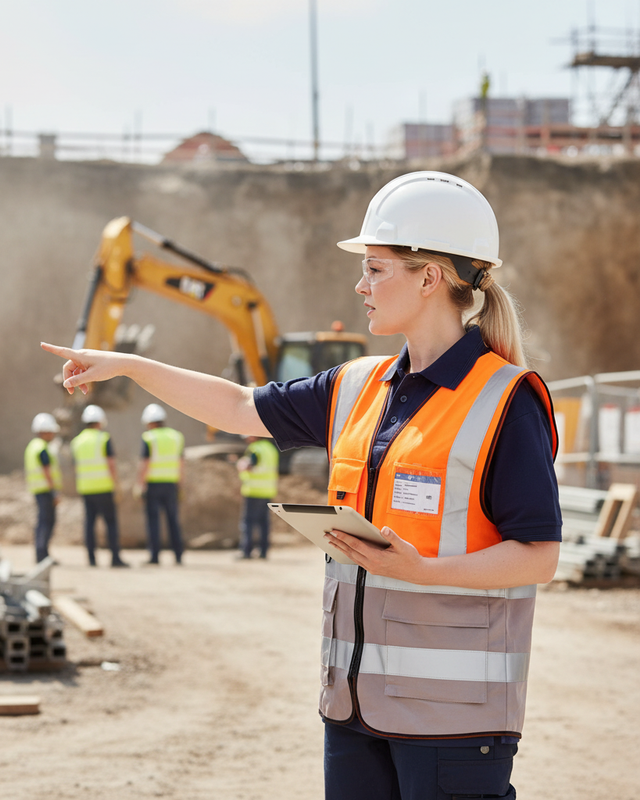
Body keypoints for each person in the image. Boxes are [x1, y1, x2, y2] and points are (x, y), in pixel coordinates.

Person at [41, 169, 561, 800]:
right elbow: (235, 408)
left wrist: (424, 570)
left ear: (429, 277)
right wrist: (127, 364)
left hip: (453, 723)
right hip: (353, 707)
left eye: (375, 268)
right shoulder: (356, 386)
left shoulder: (506, 400)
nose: (360, 285)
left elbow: (539, 556)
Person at [69, 404, 129, 568]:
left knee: (89, 524)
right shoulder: (104, 439)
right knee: (110, 523)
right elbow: (111, 464)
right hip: (104, 487)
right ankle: (115, 558)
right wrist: (116, 485)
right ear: (101, 421)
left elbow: (75, 466)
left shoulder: (77, 442)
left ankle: (91, 559)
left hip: (86, 488)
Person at [135, 403, 186, 565]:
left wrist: (140, 484)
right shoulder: (176, 436)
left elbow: (145, 463)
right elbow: (181, 463)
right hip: (171, 484)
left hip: (154, 485)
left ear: (149, 422)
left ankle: (154, 557)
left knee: (153, 521)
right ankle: (178, 556)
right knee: (173, 520)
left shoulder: (149, 438)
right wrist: (180, 484)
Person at [24, 412, 62, 564]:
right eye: (51, 431)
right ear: (44, 431)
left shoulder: (32, 446)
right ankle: (43, 556)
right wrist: (54, 492)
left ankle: (42, 555)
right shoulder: (43, 448)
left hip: (38, 490)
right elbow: (47, 472)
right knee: (46, 522)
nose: (53, 435)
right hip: (45, 491)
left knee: (42, 523)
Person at [236, 435, 279, 559]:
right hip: (268, 490)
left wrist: (240, 465)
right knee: (264, 523)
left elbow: (248, 467)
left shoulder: (255, 449)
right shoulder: (271, 448)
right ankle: (264, 551)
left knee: (248, 522)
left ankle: (246, 551)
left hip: (253, 490)